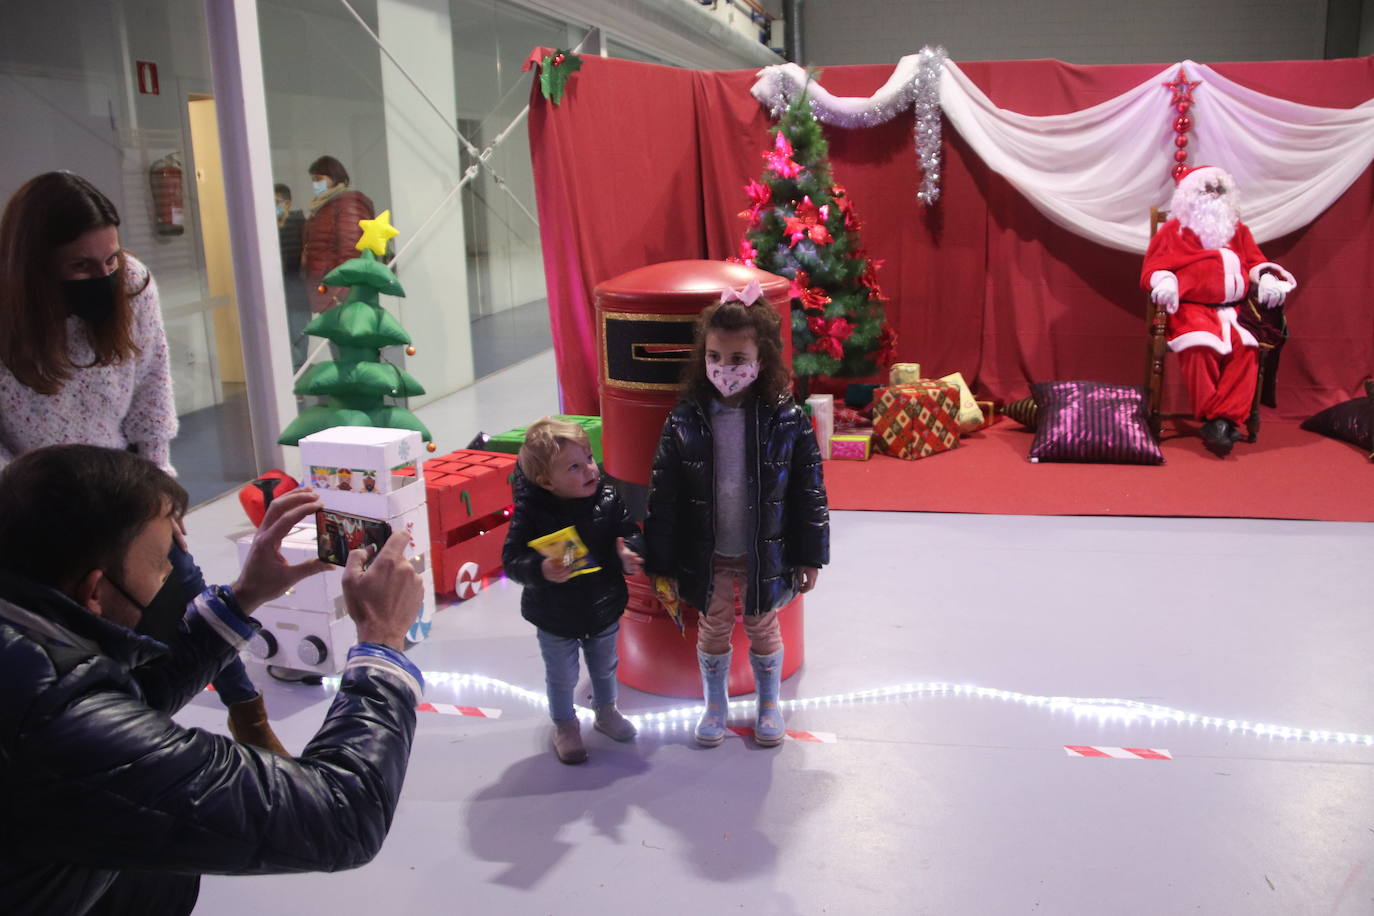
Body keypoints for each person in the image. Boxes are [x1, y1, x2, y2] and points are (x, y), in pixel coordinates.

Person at [0, 444, 425, 915]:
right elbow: (340, 816)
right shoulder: (58, 721)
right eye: (163, 559)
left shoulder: (28, 646)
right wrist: (381, 643)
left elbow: (127, 703)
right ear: (95, 590)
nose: (172, 575)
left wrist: (245, 596)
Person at [0, 171, 285, 753]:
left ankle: (248, 714)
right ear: (34, 263)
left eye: (110, 258)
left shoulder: (131, 283)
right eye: (82, 266)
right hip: (40, 506)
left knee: (184, 590)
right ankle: (117, 737)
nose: (103, 275)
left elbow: (154, 386)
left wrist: (159, 487)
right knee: (82, 633)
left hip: (127, 485)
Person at [643, 281, 829, 748]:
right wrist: (660, 560)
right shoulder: (684, 419)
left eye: (738, 360)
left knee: (763, 624)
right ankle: (715, 705)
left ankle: (769, 703)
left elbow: (809, 490)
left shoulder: (785, 418)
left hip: (764, 550)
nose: (724, 369)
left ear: (761, 360)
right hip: (711, 553)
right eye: (715, 358)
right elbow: (663, 495)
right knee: (713, 625)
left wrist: (810, 555)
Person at [502, 417, 644, 764]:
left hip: (602, 603)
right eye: (575, 467)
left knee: (605, 666)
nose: (589, 471)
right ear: (546, 481)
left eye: (590, 459)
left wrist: (627, 550)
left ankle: (606, 712)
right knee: (562, 675)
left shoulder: (608, 495)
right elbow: (511, 558)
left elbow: (627, 529)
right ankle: (565, 724)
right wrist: (541, 569)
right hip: (555, 613)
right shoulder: (532, 510)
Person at [1141, 165, 1296, 456]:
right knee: (1200, 347)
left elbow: (1254, 261)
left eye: (1219, 190)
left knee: (1247, 348)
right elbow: (1155, 267)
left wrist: (1265, 278)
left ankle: (1220, 421)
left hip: (1234, 311)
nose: (1213, 195)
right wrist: (1166, 281)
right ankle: (1220, 419)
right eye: (1206, 189)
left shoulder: (1237, 229)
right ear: (1190, 195)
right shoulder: (1175, 230)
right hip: (1191, 310)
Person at [301, 155, 375, 314]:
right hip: (327, 290)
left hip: (341, 295)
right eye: (313, 179)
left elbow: (350, 253)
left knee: (347, 336)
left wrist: (339, 294)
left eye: (319, 178)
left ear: (334, 178)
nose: (315, 184)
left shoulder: (346, 204)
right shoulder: (323, 206)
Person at [274, 182, 310, 369]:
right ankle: (292, 373)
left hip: (297, 287)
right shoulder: (267, 229)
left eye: (277, 202)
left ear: (287, 203)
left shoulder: (299, 225)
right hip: (277, 288)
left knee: (299, 333)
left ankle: (298, 372)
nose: (274, 206)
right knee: (281, 334)